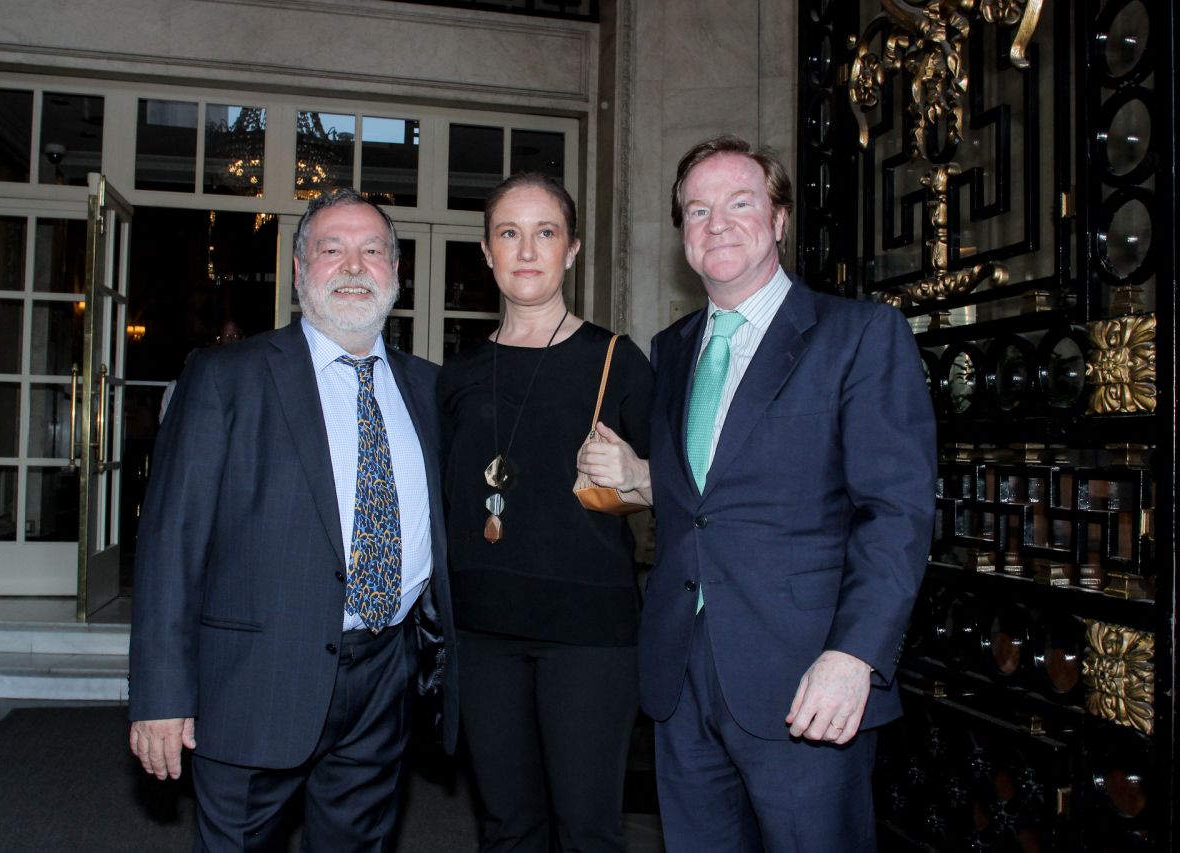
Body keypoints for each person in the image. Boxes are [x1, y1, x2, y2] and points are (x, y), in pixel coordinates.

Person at [129, 186, 457, 851]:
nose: (354, 267)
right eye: (332, 249)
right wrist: (160, 693)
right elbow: (172, 545)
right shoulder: (226, 378)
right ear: (300, 270)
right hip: (256, 680)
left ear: (395, 273)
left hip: (383, 680)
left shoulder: (430, 388)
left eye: (372, 250)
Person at [639, 135, 936, 852]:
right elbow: (701, 504)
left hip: (809, 679)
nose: (717, 222)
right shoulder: (670, 348)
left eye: (740, 203)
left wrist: (855, 655)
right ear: (681, 234)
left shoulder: (859, 334)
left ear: (779, 220)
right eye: (697, 209)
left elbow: (895, 510)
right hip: (681, 676)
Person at [437, 173, 653, 853]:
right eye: (509, 232)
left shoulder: (617, 361)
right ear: (485, 251)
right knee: (506, 827)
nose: (526, 250)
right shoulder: (458, 375)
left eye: (545, 232)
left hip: (588, 634)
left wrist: (641, 475)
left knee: (588, 830)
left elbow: (691, 492)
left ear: (573, 249)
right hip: (482, 633)